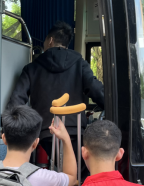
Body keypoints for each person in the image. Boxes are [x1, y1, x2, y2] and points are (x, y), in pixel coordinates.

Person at [7, 21, 105, 176]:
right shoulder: (80, 64)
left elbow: (16, 102)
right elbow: (97, 90)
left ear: (50, 40)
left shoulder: (32, 68)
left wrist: (10, 127)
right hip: (76, 132)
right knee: (79, 174)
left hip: (46, 133)